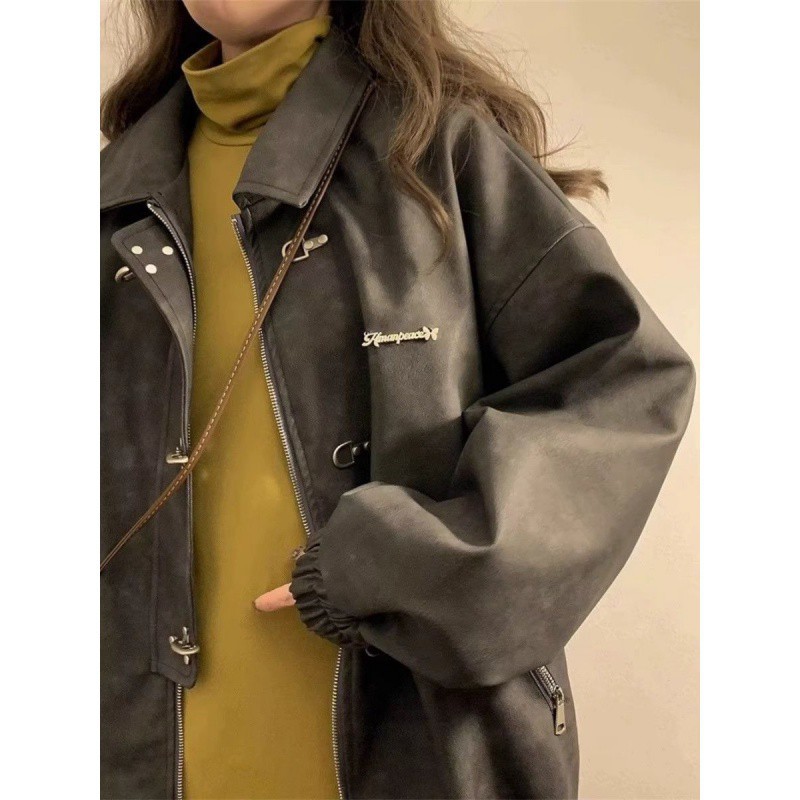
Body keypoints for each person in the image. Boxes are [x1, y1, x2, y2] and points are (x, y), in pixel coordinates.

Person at [100, 1, 695, 798]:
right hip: (144, 753)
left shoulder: (438, 150)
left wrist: (400, 564)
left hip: (407, 744)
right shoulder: (113, 198)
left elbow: (624, 385)